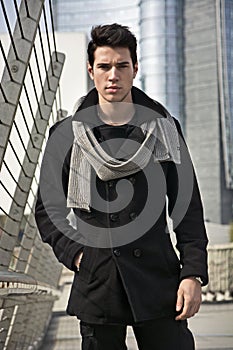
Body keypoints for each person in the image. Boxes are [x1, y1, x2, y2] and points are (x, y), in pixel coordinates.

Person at [35, 23, 208, 350]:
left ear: (135, 69)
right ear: (91, 70)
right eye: (104, 66)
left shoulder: (165, 128)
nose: (112, 75)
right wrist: (77, 255)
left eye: (121, 66)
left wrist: (192, 274)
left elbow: (187, 207)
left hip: (159, 279)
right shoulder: (65, 135)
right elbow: (47, 209)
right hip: (98, 279)